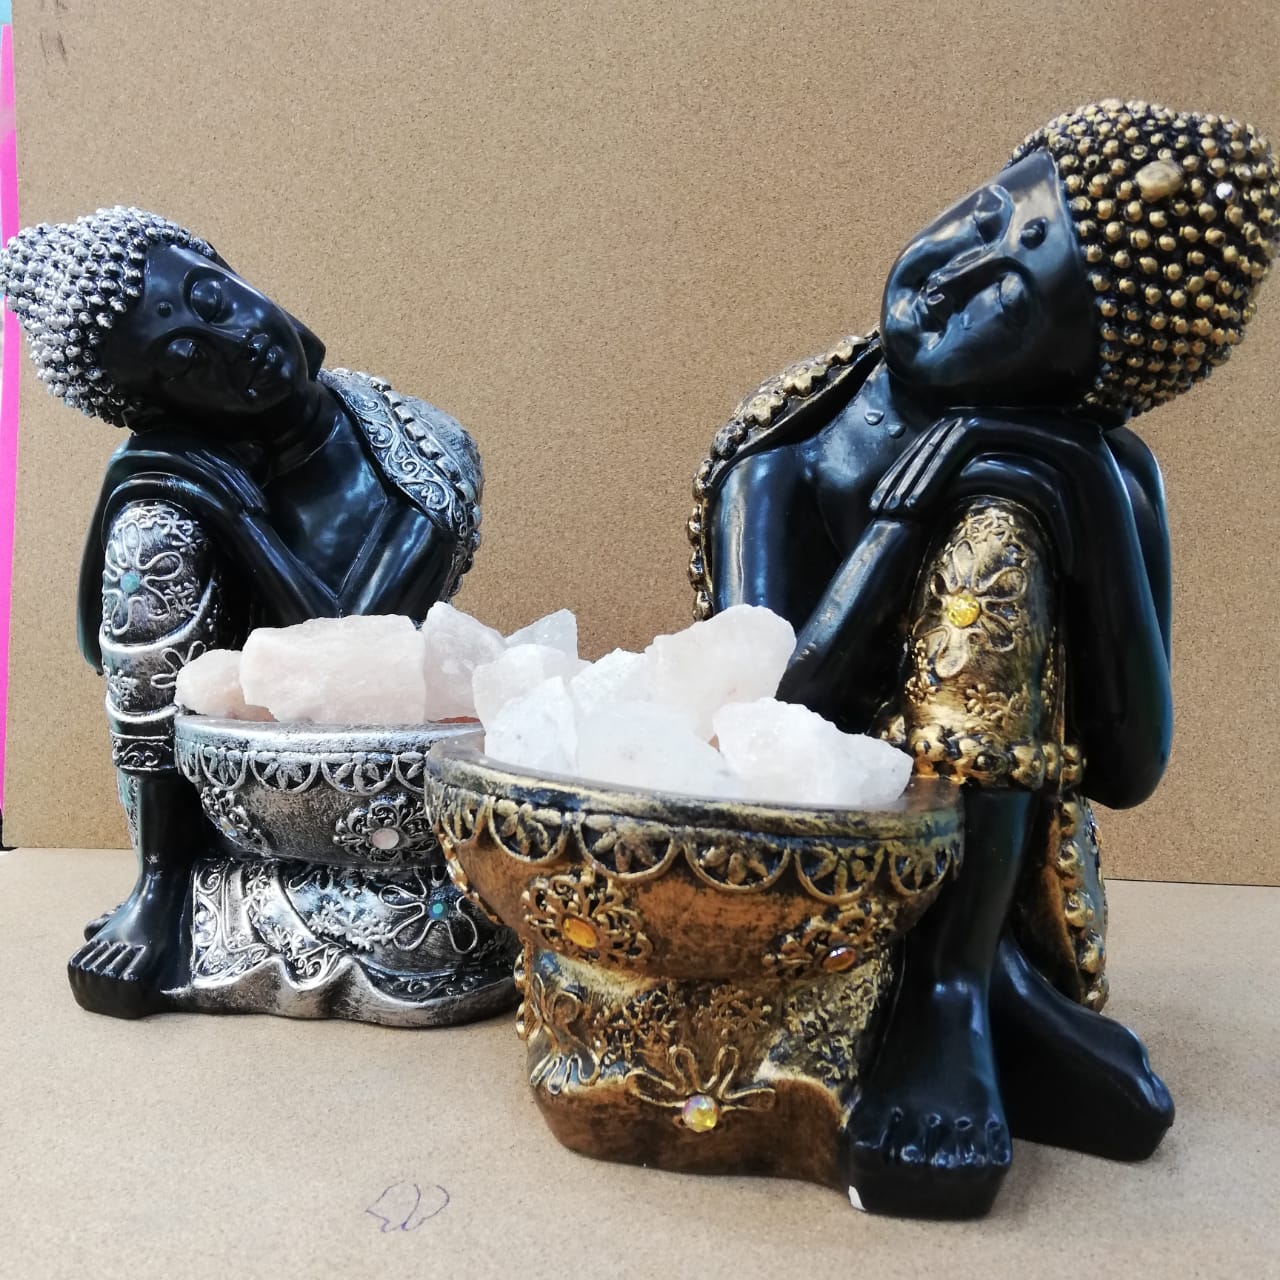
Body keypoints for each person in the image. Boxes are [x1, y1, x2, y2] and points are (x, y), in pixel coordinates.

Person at [690, 100, 1278, 1216]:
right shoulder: (789, 456)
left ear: (1076, 380)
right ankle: (949, 992)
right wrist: (896, 525)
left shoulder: (1104, 465)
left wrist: (1086, 497)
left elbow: (1131, 767)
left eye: (1015, 296)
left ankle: (963, 982)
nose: (961, 273)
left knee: (1005, 521)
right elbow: (761, 723)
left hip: (1021, 872)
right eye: (982, 217)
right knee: (992, 515)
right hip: (831, 849)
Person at [0, 207, 496, 1021]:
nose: (235, 343)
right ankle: (164, 883)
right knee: (149, 539)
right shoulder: (185, 479)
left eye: (213, 298)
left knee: (436, 909)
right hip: (233, 783)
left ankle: (260, 909)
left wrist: (243, 521)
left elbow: (349, 664)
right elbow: (103, 645)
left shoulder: (422, 449)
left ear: (232, 270)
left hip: (367, 775)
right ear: (160, 411)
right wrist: (148, 488)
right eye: (185, 360)